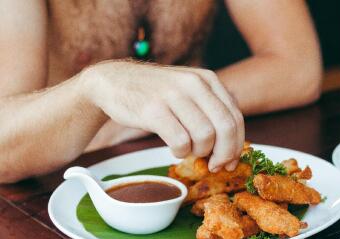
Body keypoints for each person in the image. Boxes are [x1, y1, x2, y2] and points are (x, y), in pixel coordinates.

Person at [0, 0, 322, 183]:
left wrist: (138, 117)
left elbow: (299, 66)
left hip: (193, 167)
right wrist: (95, 88)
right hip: (60, 184)